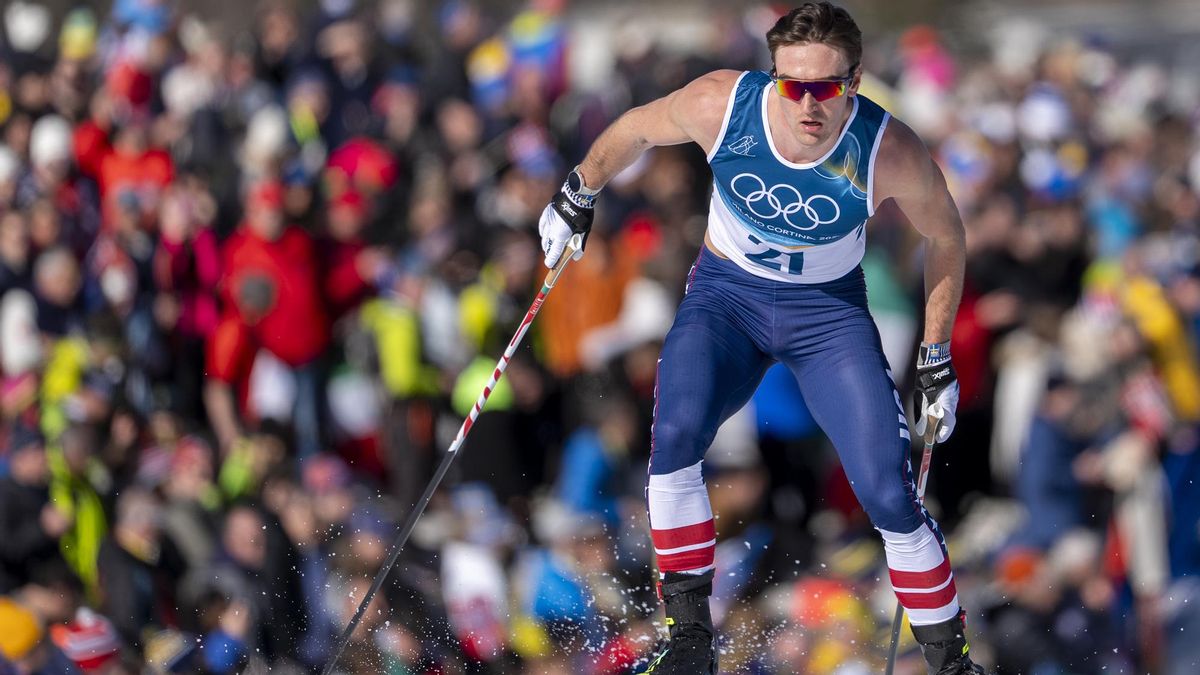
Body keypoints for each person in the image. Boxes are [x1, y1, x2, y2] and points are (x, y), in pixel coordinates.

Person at [537, 3, 982, 674]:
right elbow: (634, 128)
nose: (808, 103)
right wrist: (578, 191)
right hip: (727, 301)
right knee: (676, 436)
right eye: (792, 84)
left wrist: (935, 354)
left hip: (826, 318)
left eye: (826, 87)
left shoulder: (887, 148)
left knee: (889, 493)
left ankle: (952, 663)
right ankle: (688, 642)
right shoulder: (724, 104)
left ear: (853, 83)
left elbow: (946, 236)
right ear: (773, 75)